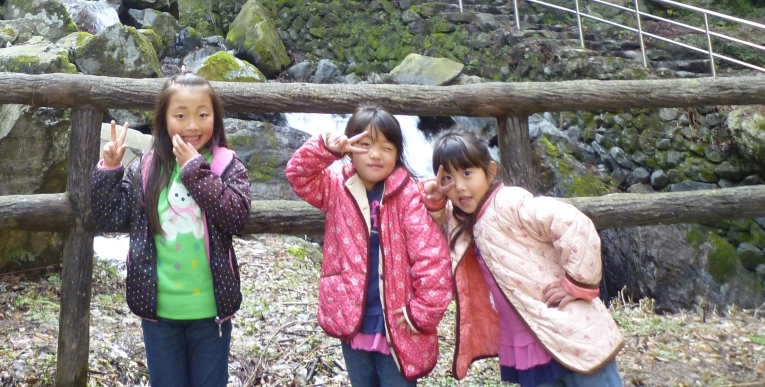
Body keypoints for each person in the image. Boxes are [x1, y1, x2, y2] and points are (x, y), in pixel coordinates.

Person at [421, 128, 625, 386]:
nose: (460, 186)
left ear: (490, 171)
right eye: (448, 177)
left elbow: (573, 223)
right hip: (529, 336)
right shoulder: (465, 221)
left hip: (566, 327)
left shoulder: (508, 203)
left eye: (467, 173)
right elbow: (435, 236)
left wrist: (576, 283)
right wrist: (435, 200)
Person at [91, 74, 252, 387]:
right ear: (163, 120)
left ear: (216, 118)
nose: (192, 125)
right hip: (159, 312)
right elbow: (110, 217)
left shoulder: (225, 164)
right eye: (180, 115)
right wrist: (109, 168)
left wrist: (195, 170)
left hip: (211, 312)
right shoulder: (148, 167)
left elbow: (237, 217)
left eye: (202, 114)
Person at [286, 107, 452, 387]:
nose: (376, 155)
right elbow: (298, 175)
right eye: (365, 145)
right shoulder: (336, 188)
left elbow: (432, 259)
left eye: (387, 148)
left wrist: (421, 314)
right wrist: (326, 149)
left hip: (398, 322)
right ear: (349, 149)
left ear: (397, 154)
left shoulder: (409, 197)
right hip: (352, 315)